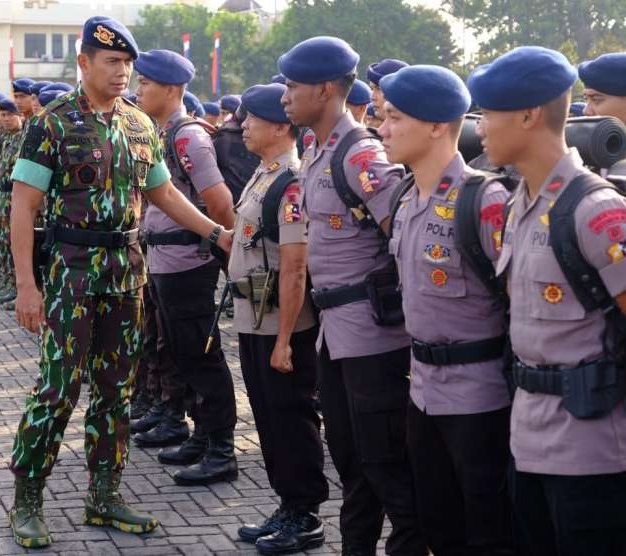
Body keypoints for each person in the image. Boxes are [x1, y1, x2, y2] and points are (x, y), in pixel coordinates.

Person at [6, 17, 233, 547]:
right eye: (112, 62)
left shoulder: (137, 124)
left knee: (116, 391)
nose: (122, 72)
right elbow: (23, 205)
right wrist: (26, 284)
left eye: (127, 64)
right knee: (59, 388)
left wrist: (215, 232)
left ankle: (104, 496)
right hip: (71, 274)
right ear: (84, 63)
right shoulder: (53, 123)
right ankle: (28, 499)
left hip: (126, 273)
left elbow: (165, 194)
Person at [470, 45, 626, 556]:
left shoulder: (596, 211)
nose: (481, 126)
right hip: (529, 441)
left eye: (489, 113)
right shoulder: (518, 202)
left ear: (529, 115)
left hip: (592, 456)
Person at [279, 36, 426, 556]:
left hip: (373, 338)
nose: (284, 97)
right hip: (336, 335)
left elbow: (404, 232)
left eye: (293, 86)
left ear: (324, 89)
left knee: (385, 462)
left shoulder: (360, 153)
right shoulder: (319, 151)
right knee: (350, 460)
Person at [379, 65, 514, 555]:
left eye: (394, 117)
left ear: (437, 125)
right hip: (424, 393)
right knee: (437, 525)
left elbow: (518, 302)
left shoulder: (484, 200)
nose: (382, 128)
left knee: (488, 531)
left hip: (480, 400)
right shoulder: (404, 195)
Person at [229, 82, 329, 554]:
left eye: (252, 118)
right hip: (254, 320)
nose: (243, 124)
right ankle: (287, 503)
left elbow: (295, 267)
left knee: (290, 416)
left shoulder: (290, 182)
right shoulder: (263, 174)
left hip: (279, 325)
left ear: (280, 127)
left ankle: (305, 512)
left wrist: (286, 339)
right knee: (268, 419)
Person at [133, 49, 239, 485]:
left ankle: (222, 448)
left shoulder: (187, 137)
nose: (138, 90)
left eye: (146, 84)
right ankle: (200, 432)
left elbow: (218, 200)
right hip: (163, 259)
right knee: (180, 352)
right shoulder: (160, 132)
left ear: (172, 90)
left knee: (201, 353)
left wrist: (228, 251)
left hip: (187, 262)